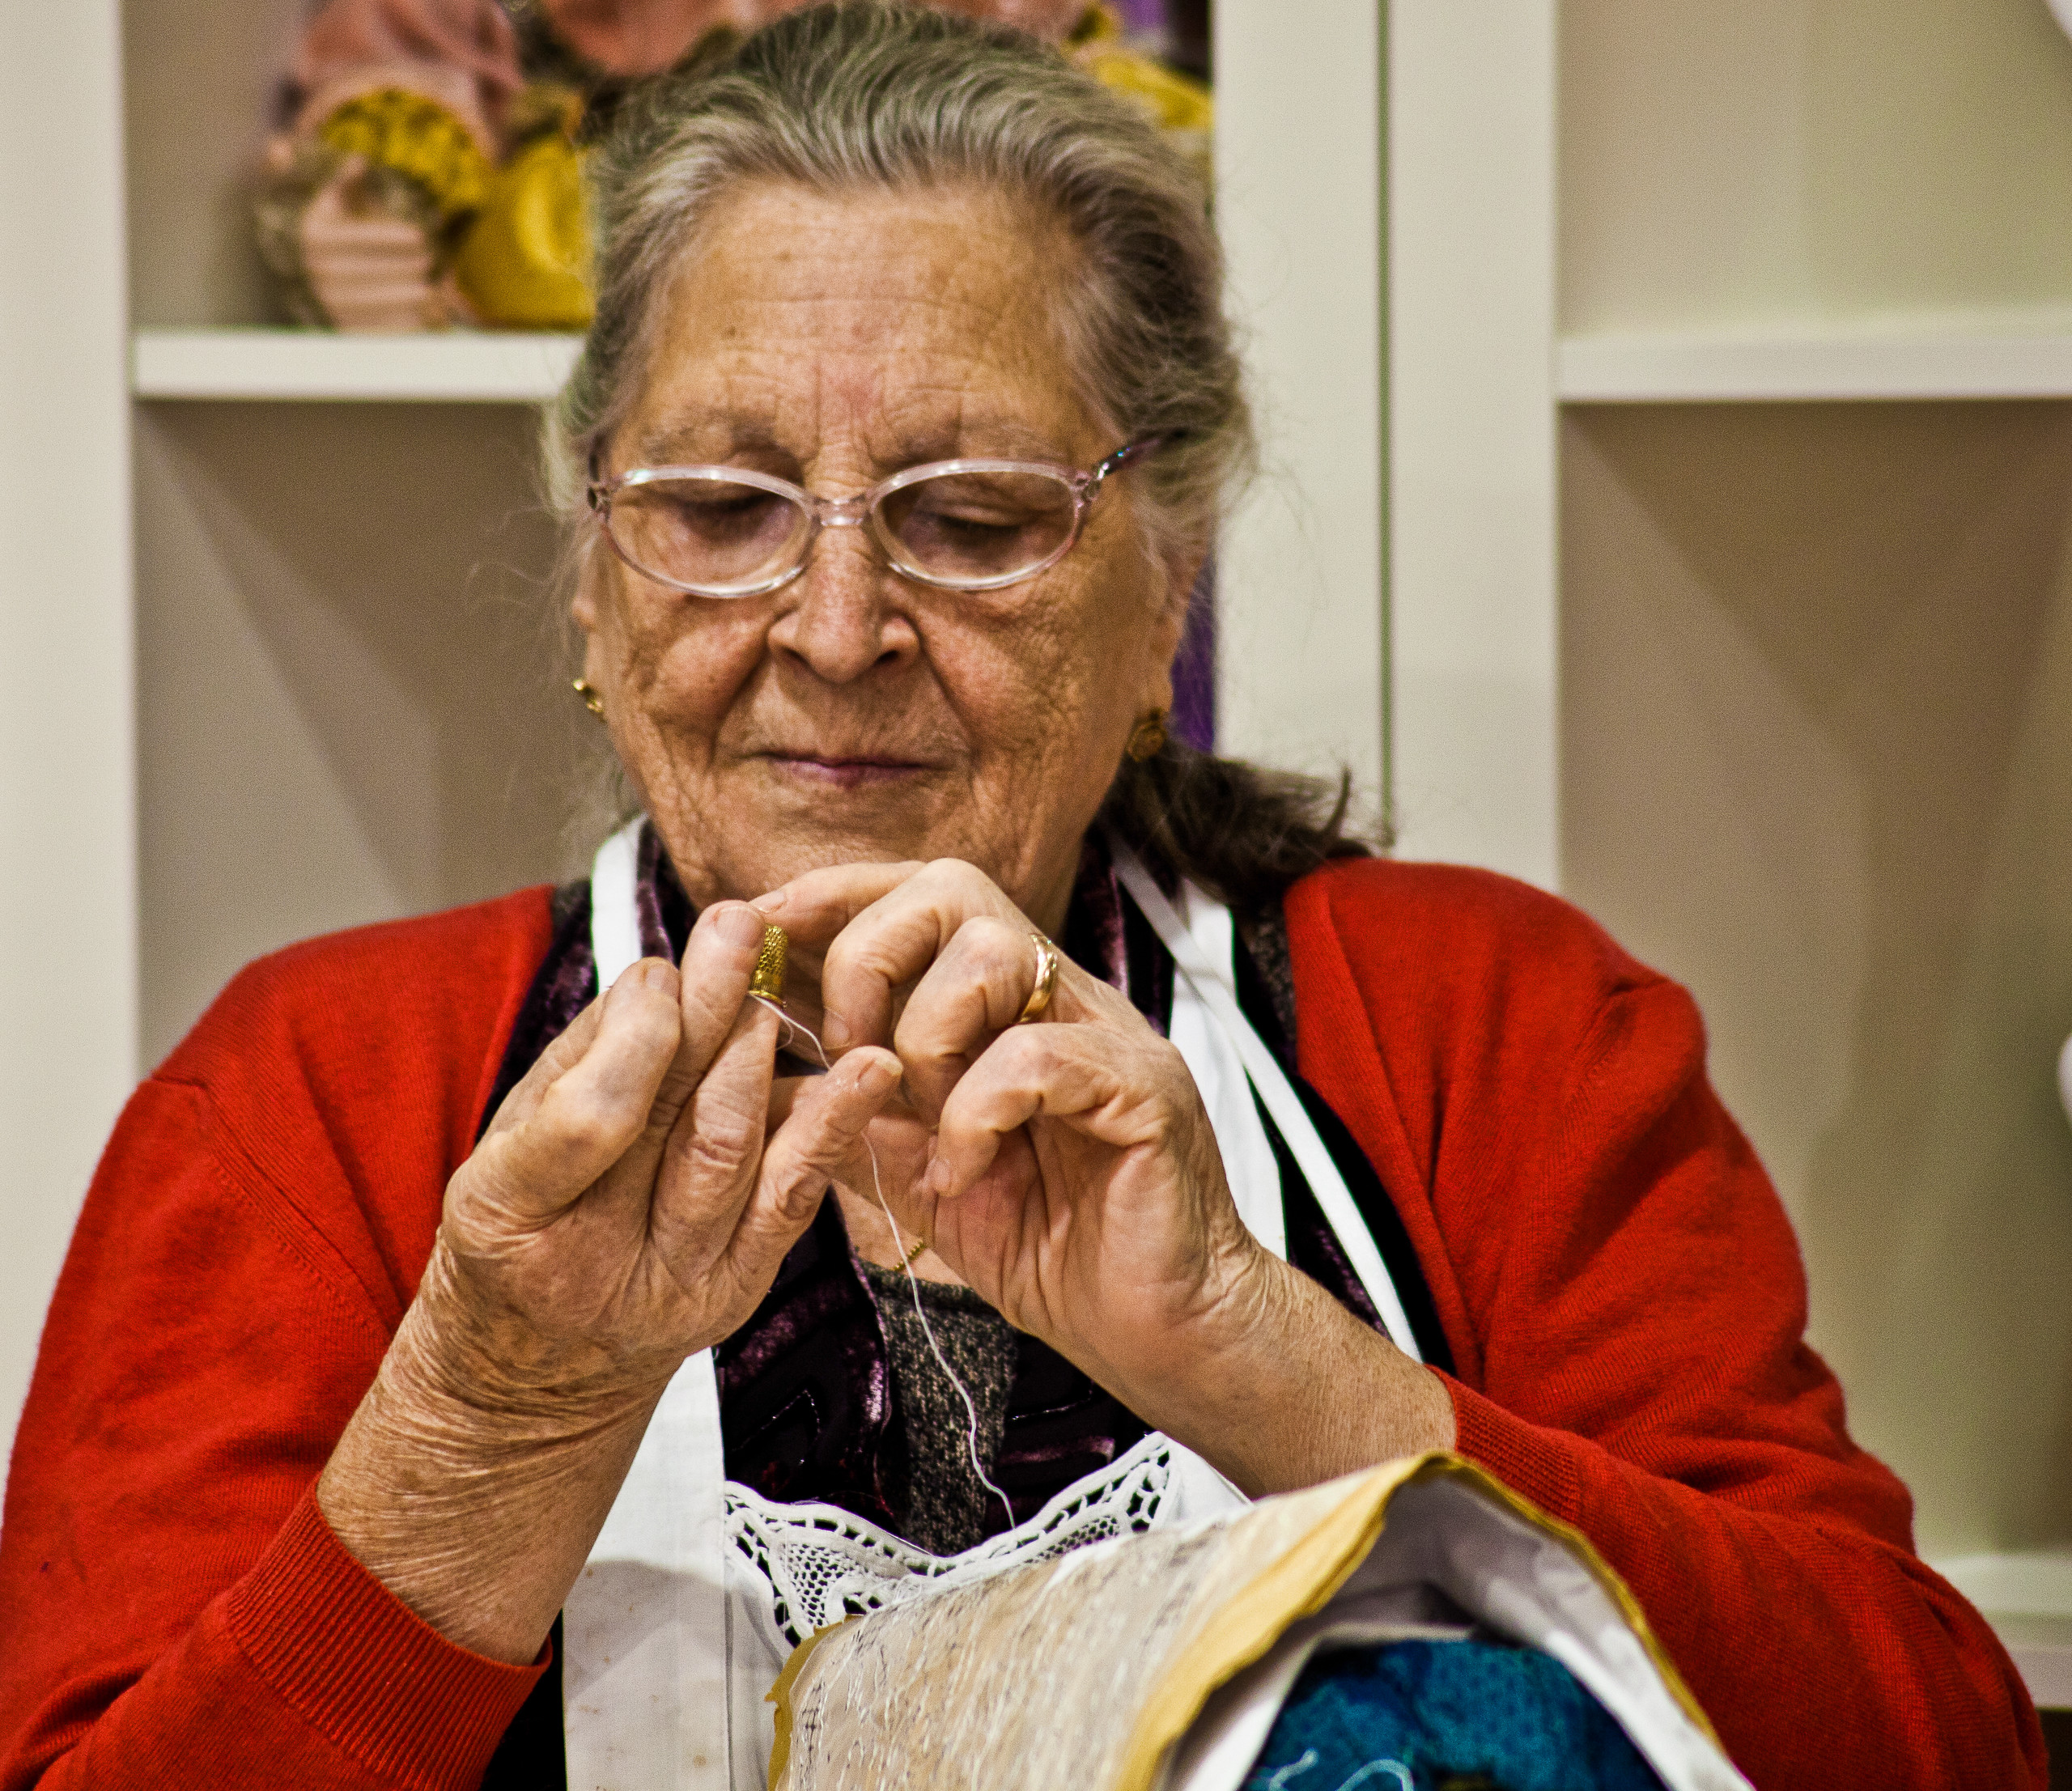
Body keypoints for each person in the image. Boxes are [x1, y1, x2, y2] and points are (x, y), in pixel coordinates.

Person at [0, 7, 2045, 1789]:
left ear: (1166, 595)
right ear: (590, 583)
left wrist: (1261, 1353)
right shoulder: (316, 1097)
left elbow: (1918, 1745)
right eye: (716, 511)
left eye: (970, 521)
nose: (832, 624)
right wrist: (490, 1422)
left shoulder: (1491, 1032)